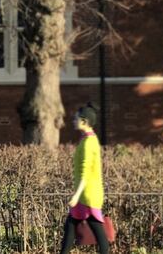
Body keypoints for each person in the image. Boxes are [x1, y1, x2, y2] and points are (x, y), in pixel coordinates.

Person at [59, 102, 109, 254]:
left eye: (76, 119)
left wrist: (76, 195)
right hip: (84, 195)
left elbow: (86, 172)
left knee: (99, 233)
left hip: (87, 196)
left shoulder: (89, 143)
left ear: (84, 121)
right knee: (70, 227)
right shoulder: (86, 140)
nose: (73, 121)